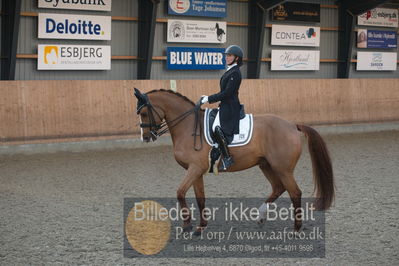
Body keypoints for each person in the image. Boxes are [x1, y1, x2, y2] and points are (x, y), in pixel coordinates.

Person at [200, 45, 243, 171]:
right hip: (225, 105)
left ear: (236, 58)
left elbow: (227, 93)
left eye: (229, 55)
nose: (227, 58)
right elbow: (223, 92)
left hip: (230, 107)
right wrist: (208, 97)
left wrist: (209, 99)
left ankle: (227, 157)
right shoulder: (230, 71)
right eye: (226, 55)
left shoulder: (235, 73)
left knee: (216, 127)